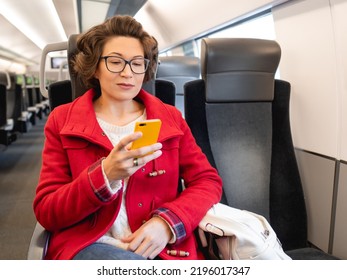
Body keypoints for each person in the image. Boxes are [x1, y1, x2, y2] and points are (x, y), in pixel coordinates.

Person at [33, 15, 222, 260]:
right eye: (115, 62)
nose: (127, 73)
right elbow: (47, 210)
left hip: (163, 247)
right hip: (92, 245)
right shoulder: (62, 121)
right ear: (94, 67)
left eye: (137, 63)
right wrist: (105, 175)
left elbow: (207, 181)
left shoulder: (170, 118)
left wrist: (168, 223)